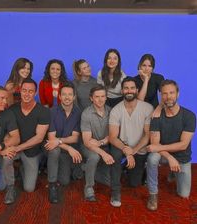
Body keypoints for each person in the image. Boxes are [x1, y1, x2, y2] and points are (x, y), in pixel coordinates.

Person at [146, 79, 196, 211]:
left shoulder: (189, 116)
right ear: (160, 96)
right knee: (152, 158)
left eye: (172, 93)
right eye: (164, 94)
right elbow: (155, 144)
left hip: (182, 157)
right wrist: (169, 157)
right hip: (164, 156)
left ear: (178, 94)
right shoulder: (156, 116)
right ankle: (153, 194)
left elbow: (183, 145)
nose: (168, 97)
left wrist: (160, 149)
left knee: (183, 194)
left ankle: (174, 173)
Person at [2, 79, 50, 204]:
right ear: (20, 91)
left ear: (35, 93)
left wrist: (17, 148)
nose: (27, 94)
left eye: (30, 91)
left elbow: (39, 138)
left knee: (29, 188)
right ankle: (10, 187)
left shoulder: (43, 111)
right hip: (15, 148)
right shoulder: (12, 109)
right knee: (7, 157)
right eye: (24, 90)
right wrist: (8, 147)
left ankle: (23, 168)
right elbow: (6, 132)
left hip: (32, 151)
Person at [109, 77, 153, 207]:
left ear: (137, 90)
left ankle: (140, 168)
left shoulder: (147, 108)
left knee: (134, 183)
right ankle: (115, 191)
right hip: (122, 147)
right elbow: (112, 137)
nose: (129, 90)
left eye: (132, 88)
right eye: (126, 88)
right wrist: (126, 151)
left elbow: (147, 135)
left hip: (139, 148)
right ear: (122, 91)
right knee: (115, 156)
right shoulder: (116, 110)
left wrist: (133, 151)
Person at [44, 82, 82, 203]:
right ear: (59, 96)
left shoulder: (78, 112)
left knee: (65, 181)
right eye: (64, 94)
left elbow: (75, 138)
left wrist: (60, 141)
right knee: (54, 151)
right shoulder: (52, 111)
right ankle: (52, 184)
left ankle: (52, 168)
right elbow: (51, 139)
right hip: (50, 148)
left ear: (74, 97)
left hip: (65, 150)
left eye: (70, 94)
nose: (67, 97)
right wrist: (69, 148)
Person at [81, 85, 114, 201]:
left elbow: (114, 134)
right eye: (97, 97)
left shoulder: (111, 111)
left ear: (106, 97)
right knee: (94, 157)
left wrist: (102, 142)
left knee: (109, 182)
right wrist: (103, 154)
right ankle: (89, 187)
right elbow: (86, 141)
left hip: (103, 144)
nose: (100, 99)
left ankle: (87, 168)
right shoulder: (86, 114)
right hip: (88, 146)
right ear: (91, 98)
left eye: (103, 96)